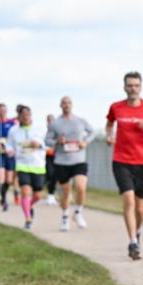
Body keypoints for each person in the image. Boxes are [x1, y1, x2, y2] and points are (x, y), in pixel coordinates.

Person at [106, 71, 143, 260]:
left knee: (140, 208)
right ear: (124, 87)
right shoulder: (116, 107)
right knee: (129, 201)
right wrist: (109, 135)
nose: (133, 88)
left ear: (141, 87)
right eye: (130, 85)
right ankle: (132, 242)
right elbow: (109, 124)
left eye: (136, 85)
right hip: (121, 161)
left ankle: (137, 232)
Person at [45, 96, 95, 231]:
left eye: (69, 103)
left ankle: (78, 213)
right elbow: (47, 140)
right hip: (62, 162)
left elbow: (92, 132)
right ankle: (65, 216)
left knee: (81, 187)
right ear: (60, 105)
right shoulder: (55, 123)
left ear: (72, 105)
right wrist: (57, 142)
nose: (66, 105)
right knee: (66, 193)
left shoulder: (80, 121)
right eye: (64, 103)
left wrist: (85, 142)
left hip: (78, 160)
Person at [6, 105, 48, 229]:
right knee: (25, 192)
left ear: (31, 115)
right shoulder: (13, 130)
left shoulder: (40, 129)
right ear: (18, 116)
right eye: (23, 115)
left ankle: (28, 206)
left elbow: (48, 145)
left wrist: (39, 145)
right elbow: (9, 144)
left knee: (37, 195)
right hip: (22, 164)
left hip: (38, 165)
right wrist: (10, 150)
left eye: (27, 114)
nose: (25, 117)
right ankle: (28, 219)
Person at [0, 103, 19, 211]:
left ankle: (4, 194)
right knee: (1, 177)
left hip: (9, 154)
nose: (3, 112)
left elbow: (17, 137)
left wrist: (13, 148)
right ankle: (4, 200)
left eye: (4, 110)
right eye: (1, 110)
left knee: (9, 179)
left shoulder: (12, 122)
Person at [44, 113, 59, 206]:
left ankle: (51, 195)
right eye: (49, 119)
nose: (51, 121)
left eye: (52, 119)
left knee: (55, 176)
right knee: (50, 174)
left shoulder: (57, 131)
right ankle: (49, 194)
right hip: (46, 156)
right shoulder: (44, 131)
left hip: (57, 156)